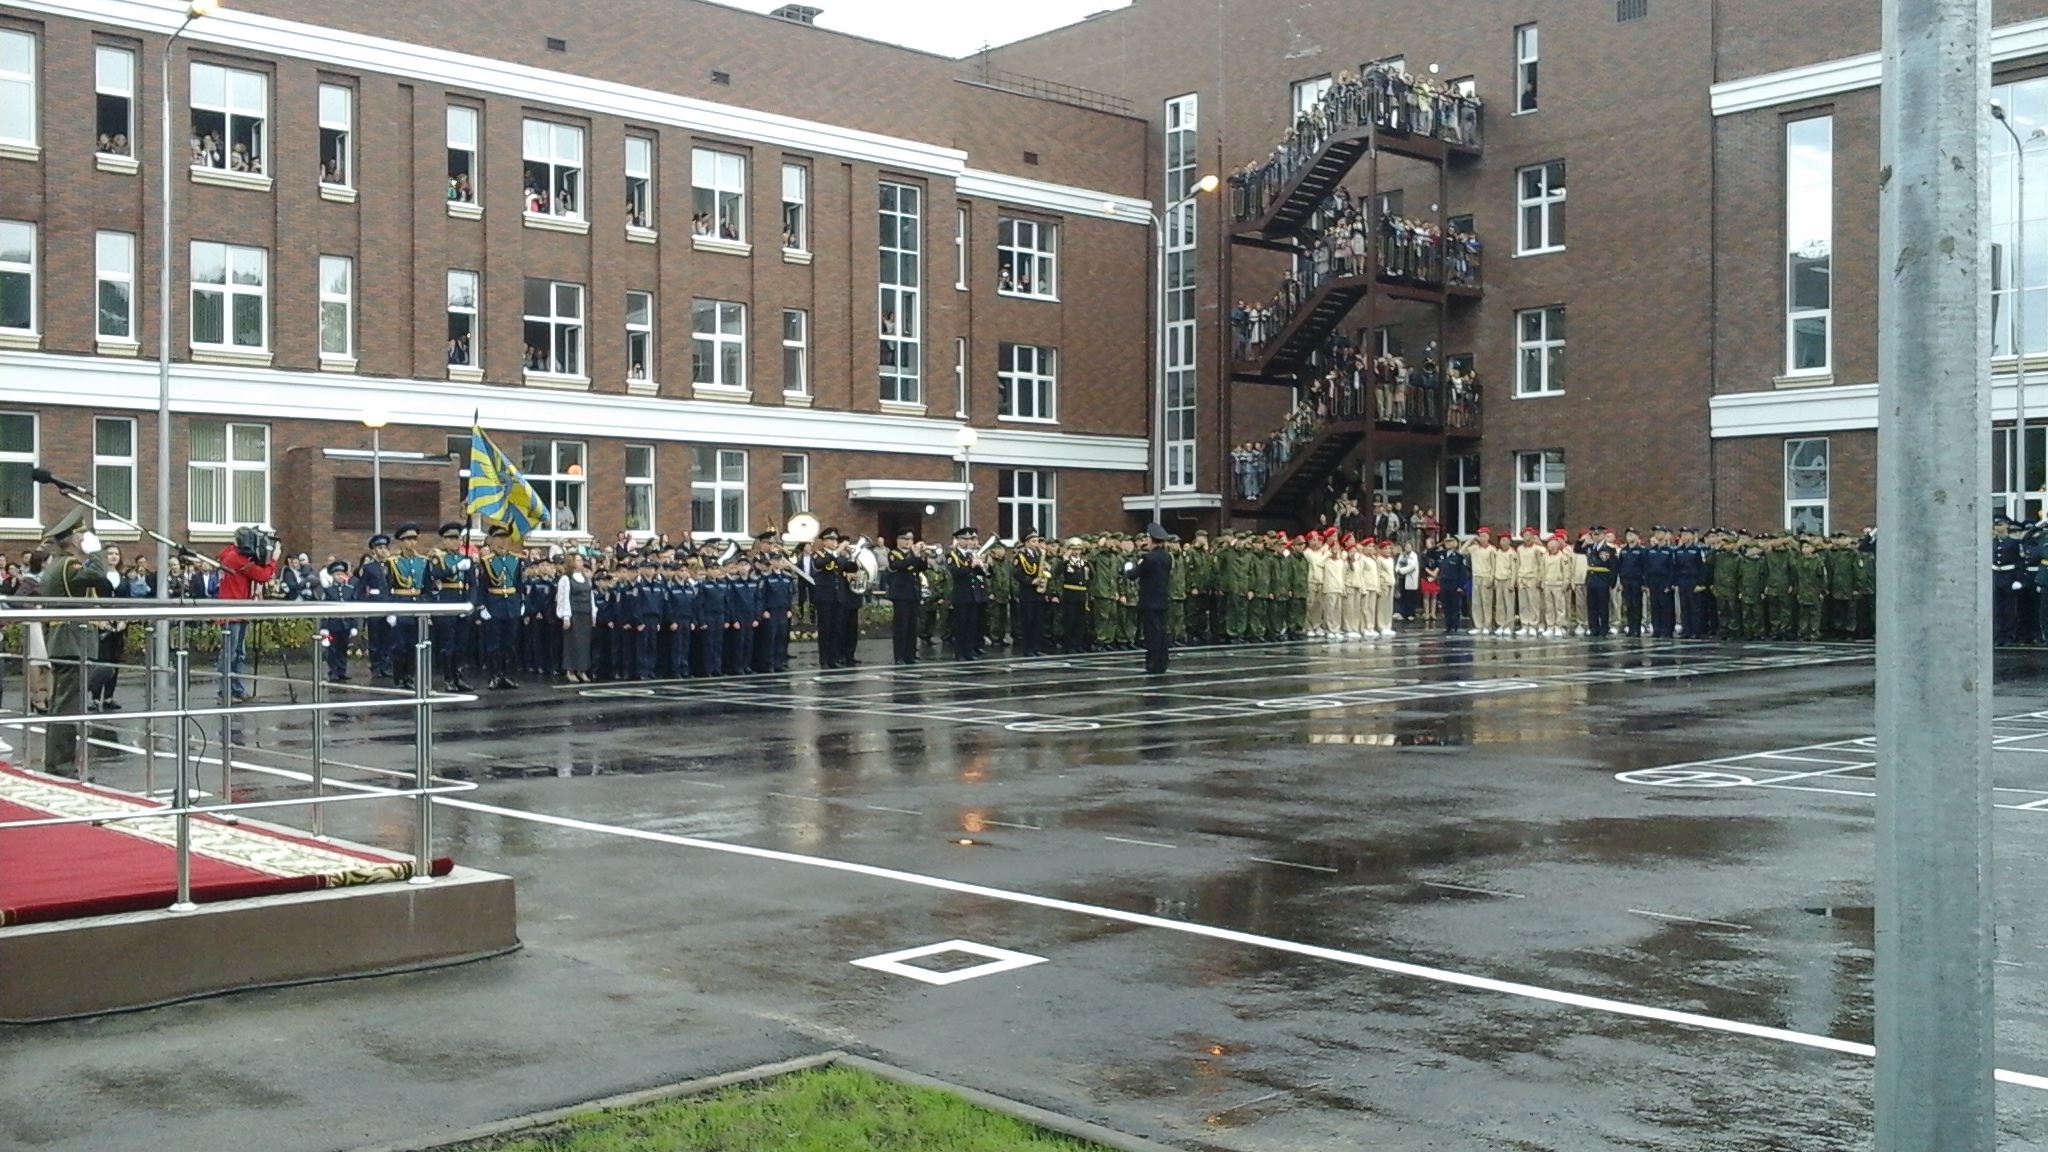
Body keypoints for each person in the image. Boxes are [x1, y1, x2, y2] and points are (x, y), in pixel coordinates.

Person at [40, 507, 113, 774]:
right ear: (73, 540)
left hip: (66, 640)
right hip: (71, 641)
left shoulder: (58, 565)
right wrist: (97, 552)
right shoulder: (70, 565)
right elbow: (97, 575)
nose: (87, 539)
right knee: (68, 707)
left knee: (64, 703)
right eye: (83, 535)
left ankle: (57, 762)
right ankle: (62, 765)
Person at [215, 525, 278, 703]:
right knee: (230, 652)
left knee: (239, 652)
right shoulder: (236, 558)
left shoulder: (231, 553)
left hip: (240, 609)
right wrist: (273, 559)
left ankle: (236, 689)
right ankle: (225, 690)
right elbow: (263, 575)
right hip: (231, 611)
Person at [426, 522, 476, 692]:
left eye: (457, 538)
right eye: (451, 539)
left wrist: (471, 603)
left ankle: (459, 676)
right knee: (448, 643)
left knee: (462, 643)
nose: (455, 542)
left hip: (463, 601)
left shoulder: (466, 559)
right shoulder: (438, 557)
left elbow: (473, 584)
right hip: (448, 600)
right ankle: (449, 679)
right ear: (444, 540)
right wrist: (454, 568)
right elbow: (436, 574)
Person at [477, 524, 524, 688]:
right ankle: (495, 675)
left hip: (511, 604)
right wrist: (482, 606)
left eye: (504, 538)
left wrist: (521, 601)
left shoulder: (515, 559)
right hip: (494, 603)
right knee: (493, 644)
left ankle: (508, 674)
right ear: (492, 540)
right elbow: (481, 586)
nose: (501, 542)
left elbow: (519, 583)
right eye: (498, 538)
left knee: (509, 643)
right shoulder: (486, 561)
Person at [1125, 523, 1174, 674]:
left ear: (1151, 540)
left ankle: (1153, 663)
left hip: (1148, 601)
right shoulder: (1167, 557)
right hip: (1162, 600)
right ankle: (1162, 662)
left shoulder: (1148, 558)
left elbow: (1133, 575)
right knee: (1161, 632)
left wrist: (1128, 568)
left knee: (1152, 635)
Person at [884, 529, 927, 665]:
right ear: (898, 540)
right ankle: (900, 656)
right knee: (901, 626)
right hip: (900, 594)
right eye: (905, 539)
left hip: (913, 593)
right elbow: (899, 565)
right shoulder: (894, 553)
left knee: (912, 626)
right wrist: (914, 556)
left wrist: (922, 556)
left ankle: (910, 654)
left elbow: (921, 567)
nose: (908, 542)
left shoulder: (911, 555)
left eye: (910, 540)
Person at [946, 528, 990, 661]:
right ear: (958, 540)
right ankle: (960, 652)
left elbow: (984, 575)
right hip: (961, 595)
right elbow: (957, 572)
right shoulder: (952, 556)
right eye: (965, 539)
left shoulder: (973, 555)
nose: (968, 542)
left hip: (974, 594)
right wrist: (972, 565)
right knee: (961, 625)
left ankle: (969, 651)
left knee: (972, 625)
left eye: (970, 539)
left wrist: (983, 566)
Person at [556, 551, 595, 682]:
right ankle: (570, 670)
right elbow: (563, 597)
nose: (581, 563)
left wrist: (593, 613)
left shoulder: (585, 577)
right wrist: (565, 616)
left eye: (581, 560)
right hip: (574, 613)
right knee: (572, 642)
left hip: (585, 613)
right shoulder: (566, 578)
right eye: (578, 560)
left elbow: (591, 596)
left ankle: (582, 669)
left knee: (584, 643)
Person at [317, 560, 358, 681]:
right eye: (337, 574)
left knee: (343, 647)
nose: (339, 577)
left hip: (345, 624)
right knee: (332, 648)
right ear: (332, 576)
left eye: (341, 574)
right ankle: (333, 671)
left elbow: (353, 608)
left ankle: (342, 670)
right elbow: (324, 610)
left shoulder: (350, 589)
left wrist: (354, 625)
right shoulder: (328, 590)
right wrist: (324, 627)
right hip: (333, 624)